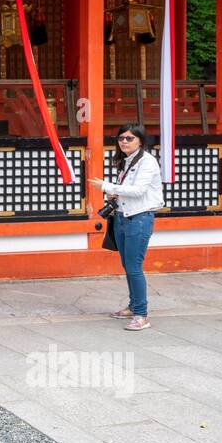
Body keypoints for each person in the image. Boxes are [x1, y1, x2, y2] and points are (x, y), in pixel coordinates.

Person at [90, 122, 164, 330]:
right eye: (121, 138)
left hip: (138, 219)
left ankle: (141, 314)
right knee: (128, 265)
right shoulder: (127, 161)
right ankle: (133, 306)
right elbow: (127, 189)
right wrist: (114, 191)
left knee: (134, 267)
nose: (124, 142)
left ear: (140, 140)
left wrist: (106, 186)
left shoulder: (147, 162)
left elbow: (139, 190)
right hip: (123, 217)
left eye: (129, 138)